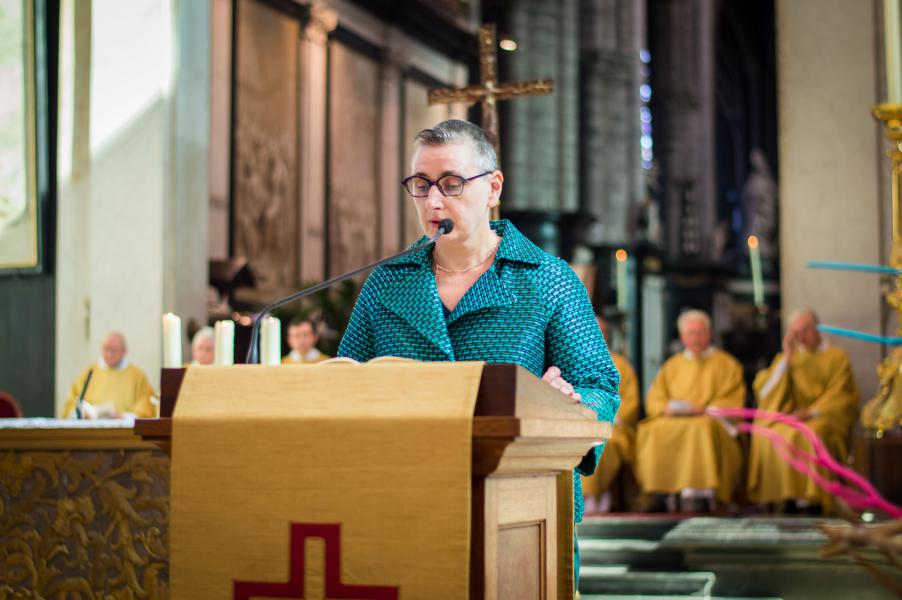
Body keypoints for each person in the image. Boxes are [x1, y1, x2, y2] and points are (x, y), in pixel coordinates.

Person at [338, 119, 620, 581]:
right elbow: (343, 382)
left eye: (451, 184)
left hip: (523, 510)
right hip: (404, 505)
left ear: (493, 187)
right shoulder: (386, 284)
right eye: (421, 184)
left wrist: (568, 404)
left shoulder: (546, 279)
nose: (433, 201)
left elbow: (600, 387)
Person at [747, 308, 859, 513]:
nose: (802, 336)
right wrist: (787, 359)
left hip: (823, 416)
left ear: (817, 328)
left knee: (808, 434)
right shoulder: (789, 357)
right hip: (794, 415)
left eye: (806, 329)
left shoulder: (836, 356)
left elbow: (841, 394)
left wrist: (813, 412)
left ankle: (811, 500)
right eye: (796, 331)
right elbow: (766, 392)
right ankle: (787, 496)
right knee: (772, 432)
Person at [635, 310, 745, 513]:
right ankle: (660, 492)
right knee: (651, 429)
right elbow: (655, 397)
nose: (695, 338)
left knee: (700, 428)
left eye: (700, 332)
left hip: (709, 420)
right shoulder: (672, 365)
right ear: (682, 337)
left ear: (710, 334)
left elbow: (732, 398)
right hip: (677, 418)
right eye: (690, 333)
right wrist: (666, 408)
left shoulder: (727, 364)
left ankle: (701, 494)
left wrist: (703, 410)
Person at [581, 316, 640, 513]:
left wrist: (606, 419)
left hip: (612, 427)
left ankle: (598, 495)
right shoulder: (572, 361)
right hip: (578, 424)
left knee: (602, 441)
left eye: (602, 332)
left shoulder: (620, 364)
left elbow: (630, 401)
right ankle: (577, 497)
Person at [63, 331, 155, 419]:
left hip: (124, 431)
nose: (109, 354)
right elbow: (72, 402)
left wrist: (122, 416)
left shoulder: (137, 376)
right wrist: (82, 414)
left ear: (124, 351)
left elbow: (145, 408)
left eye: (113, 350)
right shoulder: (90, 372)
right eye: (105, 349)